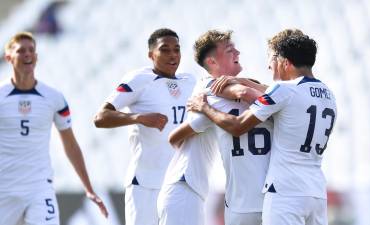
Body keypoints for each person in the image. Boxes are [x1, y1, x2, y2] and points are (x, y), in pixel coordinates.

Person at [188, 32, 337, 225]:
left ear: (285, 62)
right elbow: (276, 94)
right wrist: (243, 81)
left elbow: (238, 125)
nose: (269, 65)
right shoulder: (328, 95)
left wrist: (204, 108)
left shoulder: (284, 91)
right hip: (316, 192)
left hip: (285, 190)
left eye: (272, 59)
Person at [157, 29, 272, 225]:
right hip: (184, 185)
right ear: (212, 62)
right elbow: (246, 92)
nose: (238, 53)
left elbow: (264, 91)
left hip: (197, 187)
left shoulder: (230, 88)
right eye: (230, 50)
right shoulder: (210, 88)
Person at [0, 32, 108, 225]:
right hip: (4, 188)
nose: (27, 54)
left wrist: (88, 188)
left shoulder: (53, 98)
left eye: (31, 50)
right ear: (9, 57)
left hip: (39, 189)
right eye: (21, 50)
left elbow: (71, 145)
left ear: (37, 57)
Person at [93, 28, 196, 225]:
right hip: (146, 182)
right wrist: (139, 117)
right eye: (165, 49)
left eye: (177, 49)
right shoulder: (140, 79)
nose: (173, 55)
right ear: (151, 54)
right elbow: (101, 117)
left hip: (179, 182)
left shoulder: (190, 81)